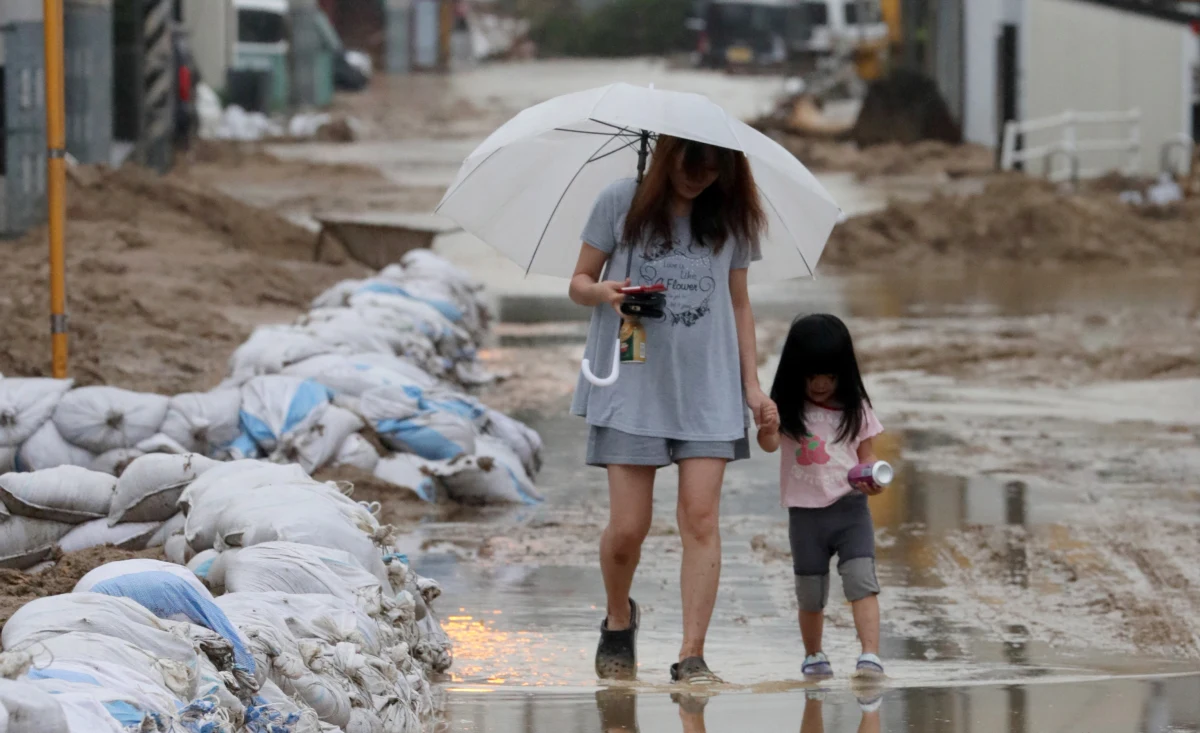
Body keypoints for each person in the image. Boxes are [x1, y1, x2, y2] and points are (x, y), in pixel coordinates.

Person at [568, 135, 773, 685]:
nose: (699, 178)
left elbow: (738, 302)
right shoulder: (620, 201)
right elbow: (578, 283)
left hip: (708, 390)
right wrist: (607, 293)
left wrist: (752, 386)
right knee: (628, 528)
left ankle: (692, 655)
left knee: (701, 520)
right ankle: (618, 617)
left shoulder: (731, 216)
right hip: (632, 386)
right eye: (690, 166)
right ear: (665, 156)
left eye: (712, 170)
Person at [756, 314, 886, 679]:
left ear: (844, 371)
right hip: (805, 515)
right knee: (810, 592)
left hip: (851, 509)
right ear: (794, 371)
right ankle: (814, 655)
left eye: (829, 375)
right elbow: (768, 445)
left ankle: (870, 656)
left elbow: (867, 453)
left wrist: (875, 475)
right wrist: (767, 427)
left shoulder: (856, 408)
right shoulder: (786, 409)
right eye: (811, 375)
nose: (820, 384)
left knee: (861, 581)